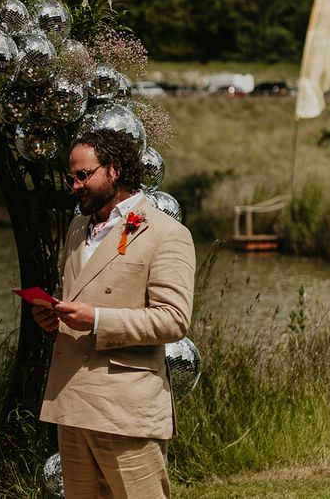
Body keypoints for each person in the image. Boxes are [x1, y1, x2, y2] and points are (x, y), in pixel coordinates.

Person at [33, 129, 196, 498]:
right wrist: (52, 315)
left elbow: (173, 319)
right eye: (70, 176)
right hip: (71, 398)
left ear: (116, 170)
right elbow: (72, 292)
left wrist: (98, 320)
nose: (74, 185)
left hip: (125, 407)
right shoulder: (78, 227)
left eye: (83, 175)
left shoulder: (167, 233)